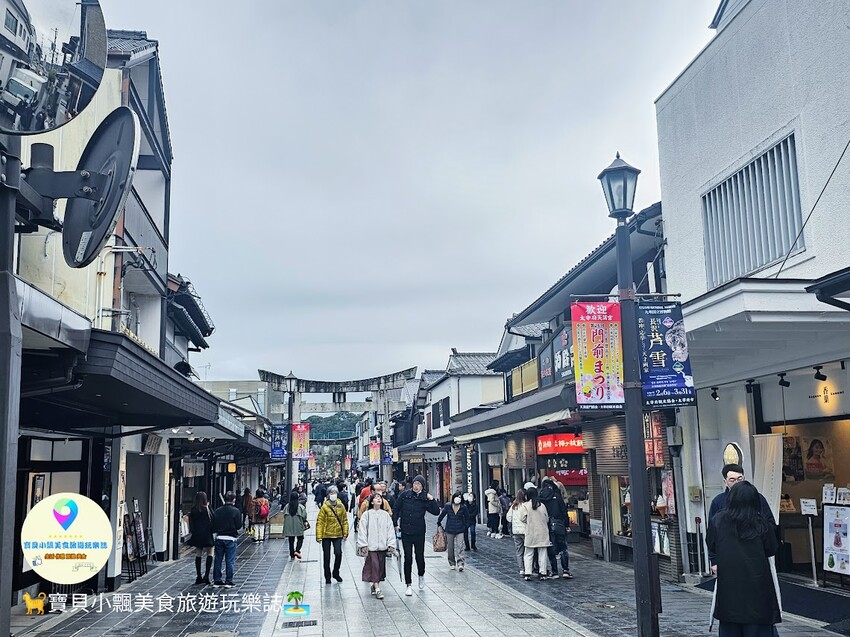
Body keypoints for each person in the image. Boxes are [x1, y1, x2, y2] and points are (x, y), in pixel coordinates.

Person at [707, 481, 781, 637]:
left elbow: (711, 544)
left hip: (729, 589)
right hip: (757, 589)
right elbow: (771, 549)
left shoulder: (718, 521)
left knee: (730, 628)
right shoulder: (761, 524)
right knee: (757, 629)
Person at [708, 463, 774, 574]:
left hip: (756, 555)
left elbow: (770, 524)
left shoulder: (757, 498)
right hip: (729, 556)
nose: (737, 483)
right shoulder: (718, 501)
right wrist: (714, 560)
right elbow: (712, 534)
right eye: (732, 480)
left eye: (740, 479)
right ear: (725, 482)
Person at [393, 475, 440, 596]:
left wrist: (431, 499)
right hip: (406, 531)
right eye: (415, 483)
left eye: (419, 484)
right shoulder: (405, 495)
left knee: (419, 556)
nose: (416, 486)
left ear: (422, 486)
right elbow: (396, 508)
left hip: (419, 532)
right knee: (408, 558)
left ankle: (421, 575)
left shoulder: (424, 497)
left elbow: (436, 512)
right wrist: (395, 523)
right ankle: (408, 584)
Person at [357, 492, 397, 600]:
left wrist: (391, 544)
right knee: (374, 565)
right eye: (376, 498)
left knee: (380, 567)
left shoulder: (386, 515)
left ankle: (374, 585)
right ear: (371, 501)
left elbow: (390, 531)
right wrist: (363, 544)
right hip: (371, 546)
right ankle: (378, 589)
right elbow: (362, 530)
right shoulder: (367, 514)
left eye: (380, 498)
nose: (378, 499)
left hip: (382, 546)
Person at [539, 477, 573, 579]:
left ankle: (554, 572)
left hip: (546, 526)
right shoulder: (557, 496)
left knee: (551, 548)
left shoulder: (540, 497)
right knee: (563, 548)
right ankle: (565, 570)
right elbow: (564, 511)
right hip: (559, 524)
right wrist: (567, 525)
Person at [316, 485, 349, 584]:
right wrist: (319, 536)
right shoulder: (324, 507)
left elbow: (344, 520)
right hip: (326, 535)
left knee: (338, 553)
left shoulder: (341, 506)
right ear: (328, 495)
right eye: (331, 493)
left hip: (338, 534)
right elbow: (320, 522)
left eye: (335, 493)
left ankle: (336, 572)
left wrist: (345, 533)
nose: (333, 495)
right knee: (326, 556)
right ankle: (327, 576)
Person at [211, 491, 242, 588]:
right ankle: (228, 580)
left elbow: (214, 524)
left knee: (218, 559)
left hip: (219, 537)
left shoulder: (217, 511)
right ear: (233, 500)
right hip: (231, 538)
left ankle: (217, 580)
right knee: (229, 560)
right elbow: (238, 525)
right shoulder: (236, 511)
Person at [520, 486, 550, 581]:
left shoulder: (525, 506)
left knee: (528, 553)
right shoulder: (542, 505)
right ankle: (543, 572)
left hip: (531, 532)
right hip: (543, 532)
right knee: (542, 553)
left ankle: (528, 572)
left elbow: (522, 518)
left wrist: (529, 522)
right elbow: (547, 519)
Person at [187, 491, 215, 585]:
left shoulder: (193, 509)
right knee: (210, 553)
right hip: (207, 534)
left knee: (198, 553)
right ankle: (206, 576)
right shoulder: (207, 508)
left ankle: (198, 576)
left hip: (197, 534)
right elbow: (213, 519)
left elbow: (191, 523)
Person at [437, 491, 468, 572]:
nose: (458, 499)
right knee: (450, 547)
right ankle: (452, 563)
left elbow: (467, 517)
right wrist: (439, 522)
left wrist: (465, 526)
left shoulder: (463, 507)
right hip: (450, 529)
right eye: (457, 497)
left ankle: (460, 563)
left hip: (460, 529)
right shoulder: (448, 506)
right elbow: (442, 514)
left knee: (460, 546)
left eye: (460, 497)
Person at [506, 489, 527, 576]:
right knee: (527, 551)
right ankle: (528, 567)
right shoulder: (526, 505)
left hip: (516, 531)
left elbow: (508, 517)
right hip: (525, 531)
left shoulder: (514, 506)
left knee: (519, 551)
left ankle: (521, 569)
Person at [283, 491, 308, 559]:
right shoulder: (300, 507)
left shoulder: (287, 506)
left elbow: (283, 515)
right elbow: (304, 516)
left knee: (291, 540)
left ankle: (292, 553)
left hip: (289, 526)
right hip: (298, 525)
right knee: (300, 538)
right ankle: (297, 550)